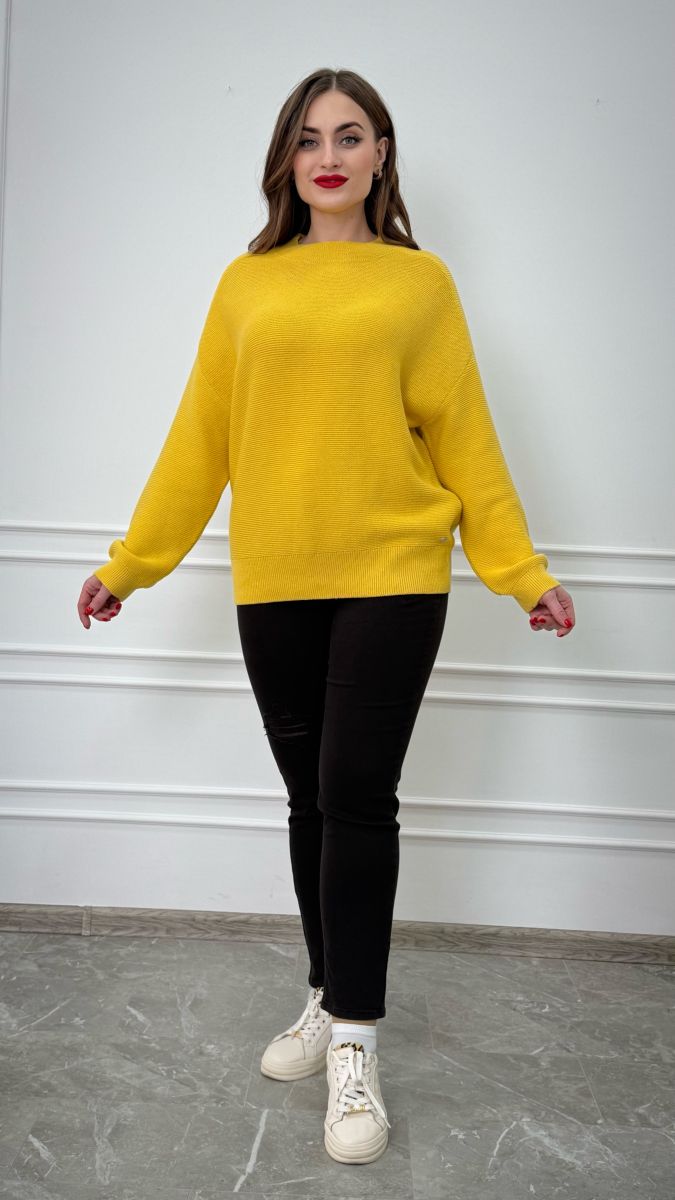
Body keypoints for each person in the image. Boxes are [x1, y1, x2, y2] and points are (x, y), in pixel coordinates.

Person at [77, 67, 576, 1166]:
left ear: (382, 153)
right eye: (309, 139)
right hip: (276, 574)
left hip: (394, 568)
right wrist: (133, 564)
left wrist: (520, 570)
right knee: (308, 796)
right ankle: (325, 988)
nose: (330, 156)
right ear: (287, 160)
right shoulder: (245, 286)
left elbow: (465, 435)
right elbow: (200, 437)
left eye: (351, 136)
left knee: (356, 795)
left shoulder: (419, 283)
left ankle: (355, 1042)